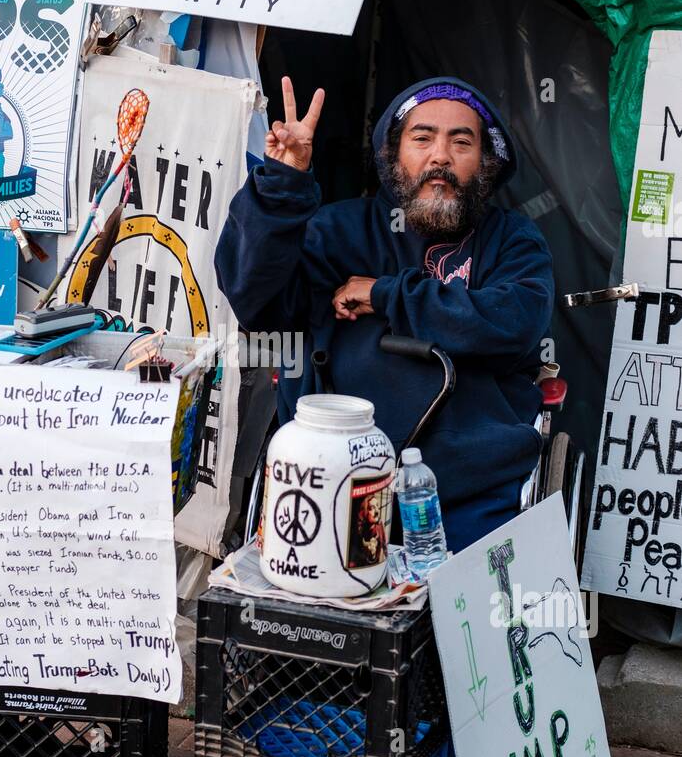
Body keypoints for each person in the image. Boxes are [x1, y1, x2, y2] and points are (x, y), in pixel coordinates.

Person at [215, 75, 555, 554]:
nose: (441, 156)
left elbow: (515, 320)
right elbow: (255, 301)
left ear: (486, 163)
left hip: (471, 494)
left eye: (462, 141)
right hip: (327, 482)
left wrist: (387, 296)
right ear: (395, 155)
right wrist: (284, 184)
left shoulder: (512, 242)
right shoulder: (338, 229)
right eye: (422, 138)